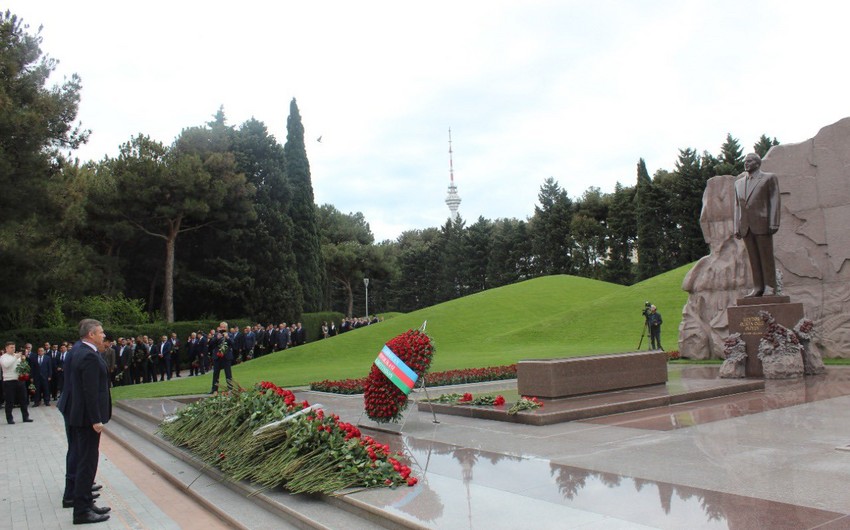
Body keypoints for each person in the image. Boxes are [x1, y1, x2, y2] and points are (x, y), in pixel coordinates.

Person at [60, 319, 112, 524]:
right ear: (91, 334)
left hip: (79, 415)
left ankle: (86, 502)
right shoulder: (88, 355)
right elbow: (89, 391)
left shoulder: (80, 350)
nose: (103, 336)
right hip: (86, 418)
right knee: (87, 462)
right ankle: (81, 510)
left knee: (84, 459)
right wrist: (96, 419)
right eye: (101, 333)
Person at [734, 152, 781, 297]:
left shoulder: (769, 178)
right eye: (745, 161)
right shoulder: (738, 183)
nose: (746, 163)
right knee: (753, 258)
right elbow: (737, 206)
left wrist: (774, 222)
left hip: (763, 223)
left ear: (757, 163)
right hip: (746, 226)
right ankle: (758, 287)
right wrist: (736, 226)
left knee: (766, 257)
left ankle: (770, 287)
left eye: (749, 161)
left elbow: (775, 200)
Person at [1, 341, 32, 424]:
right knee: (10, 401)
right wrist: (15, 357)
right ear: (6, 348)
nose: (13, 349)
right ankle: (9, 418)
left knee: (23, 399)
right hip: (9, 381)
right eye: (11, 347)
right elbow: (6, 365)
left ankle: (26, 417)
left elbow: (21, 366)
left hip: (19, 380)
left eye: (14, 347)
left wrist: (23, 362)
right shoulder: (4, 357)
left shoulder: (17, 356)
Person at [209, 321, 234, 394]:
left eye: (224, 327)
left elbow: (233, 344)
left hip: (226, 357)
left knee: (228, 374)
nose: (222, 328)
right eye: (221, 327)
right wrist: (216, 338)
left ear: (226, 328)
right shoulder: (216, 335)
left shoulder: (230, 334)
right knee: (216, 374)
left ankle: (230, 389)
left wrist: (228, 338)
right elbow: (211, 345)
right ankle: (214, 390)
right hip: (217, 357)